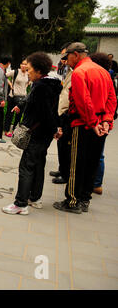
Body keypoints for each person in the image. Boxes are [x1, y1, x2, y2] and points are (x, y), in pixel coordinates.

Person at [53, 42, 116, 214]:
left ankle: (72, 201)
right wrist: (106, 121)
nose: (66, 61)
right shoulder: (103, 72)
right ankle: (85, 200)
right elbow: (112, 99)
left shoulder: (79, 72)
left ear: (76, 54)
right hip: (99, 126)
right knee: (91, 163)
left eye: (67, 57)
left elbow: (83, 101)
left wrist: (93, 122)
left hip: (83, 124)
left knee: (76, 164)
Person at [2, 52, 62, 215]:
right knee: (38, 165)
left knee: (26, 166)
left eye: (29, 69)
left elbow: (44, 113)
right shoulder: (53, 84)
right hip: (45, 134)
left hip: (36, 133)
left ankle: (21, 204)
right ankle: (35, 198)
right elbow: (51, 110)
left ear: (38, 70)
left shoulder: (40, 87)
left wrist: (54, 128)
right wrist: (55, 128)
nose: (27, 72)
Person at [89, 52, 114, 195]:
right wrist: (107, 121)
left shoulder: (99, 78)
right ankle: (97, 184)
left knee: (95, 154)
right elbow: (112, 103)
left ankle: (94, 183)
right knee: (100, 154)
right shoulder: (108, 79)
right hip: (104, 121)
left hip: (95, 122)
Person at [50, 43, 73, 185]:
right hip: (62, 112)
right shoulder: (67, 69)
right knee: (61, 144)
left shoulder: (77, 71)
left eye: (65, 56)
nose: (63, 59)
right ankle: (62, 169)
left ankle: (66, 174)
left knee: (66, 145)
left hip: (68, 114)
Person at [3, 59, 29, 137]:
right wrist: (10, 84)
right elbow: (4, 76)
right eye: (22, 64)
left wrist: (26, 86)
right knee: (9, 114)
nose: (23, 66)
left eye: (25, 64)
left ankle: (15, 130)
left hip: (23, 98)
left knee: (19, 116)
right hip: (13, 96)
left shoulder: (28, 74)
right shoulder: (15, 72)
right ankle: (7, 130)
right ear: (20, 65)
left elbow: (29, 82)